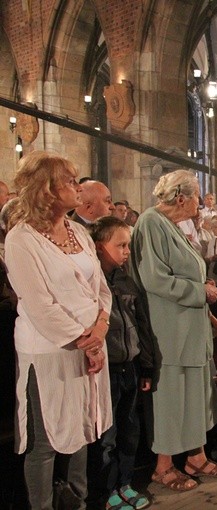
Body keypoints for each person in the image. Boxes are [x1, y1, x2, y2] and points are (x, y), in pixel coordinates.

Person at [5, 152, 112, 509]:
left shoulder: (78, 231)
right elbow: (39, 305)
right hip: (50, 349)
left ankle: (78, 501)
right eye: (69, 181)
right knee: (46, 440)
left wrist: (101, 328)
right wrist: (87, 342)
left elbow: (101, 289)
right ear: (46, 189)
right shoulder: (22, 239)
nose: (77, 188)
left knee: (82, 429)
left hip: (90, 344)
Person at [130, 169, 217, 492]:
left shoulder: (174, 227)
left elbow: (186, 270)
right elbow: (155, 279)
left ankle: (196, 457)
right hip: (170, 330)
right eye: (197, 196)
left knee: (195, 395)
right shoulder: (150, 223)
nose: (200, 202)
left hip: (189, 328)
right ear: (181, 198)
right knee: (172, 398)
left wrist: (204, 284)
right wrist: (200, 292)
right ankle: (163, 467)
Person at [87, 216, 155, 510]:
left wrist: (147, 365)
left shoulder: (127, 280)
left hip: (131, 365)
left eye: (129, 245)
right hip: (108, 369)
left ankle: (125, 484)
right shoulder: (92, 282)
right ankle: (107, 491)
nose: (127, 251)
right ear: (100, 247)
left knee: (130, 429)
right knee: (108, 434)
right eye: (121, 245)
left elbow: (141, 325)